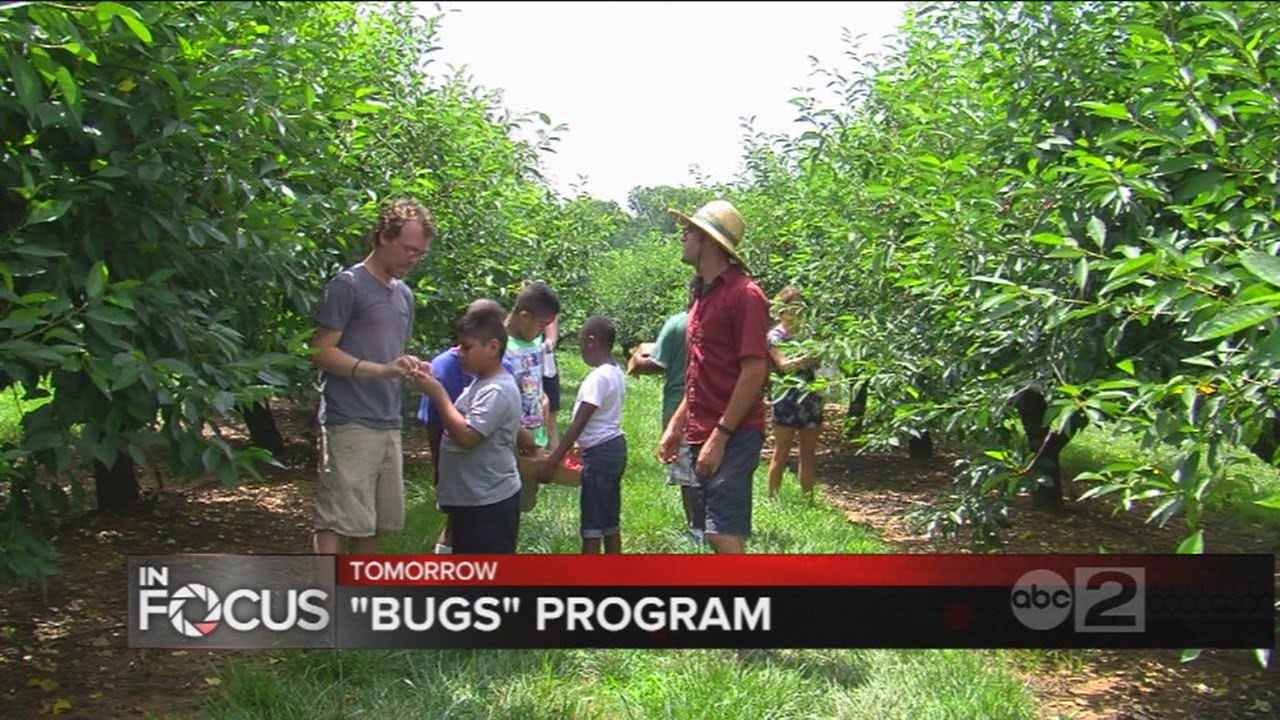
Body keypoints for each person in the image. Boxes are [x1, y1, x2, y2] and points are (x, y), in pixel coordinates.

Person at [309, 199, 433, 554]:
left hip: (387, 420)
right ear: (383, 237)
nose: (414, 258)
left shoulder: (404, 295)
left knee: (374, 522)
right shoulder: (348, 284)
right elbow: (321, 352)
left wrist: (405, 365)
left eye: (420, 253)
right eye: (409, 249)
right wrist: (380, 370)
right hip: (348, 420)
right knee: (337, 518)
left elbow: (386, 351)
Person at [657, 200, 769, 555]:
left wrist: (720, 437)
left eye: (689, 231)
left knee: (723, 533)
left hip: (733, 433)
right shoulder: (702, 296)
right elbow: (702, 371)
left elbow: (755, 371)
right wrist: (677, 426)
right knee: (709, 532)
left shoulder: (745, 295)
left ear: (709, 241)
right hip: (702, 429)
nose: (682, 236)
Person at [411, 306, 524, 554]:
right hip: (472, 500)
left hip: (489, 504)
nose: (459, 353)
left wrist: (438, 393)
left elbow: (467, 436)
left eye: (467, 347)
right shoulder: (481, 383)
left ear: (493, 347)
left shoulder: (497, 390)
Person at [541, 316, 627, 554]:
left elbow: (579, 422)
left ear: (591, 341)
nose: (580, 351)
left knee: (591, 524)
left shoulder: (598, 377)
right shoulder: (615, 371)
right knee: (609, 520)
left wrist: (553, 459)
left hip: (600, 454)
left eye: (580, 345)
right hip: (614, 448)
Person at [628, 288, 704, 543]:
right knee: (705, 468)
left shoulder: (678, 324)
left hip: (678, 407)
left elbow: (653, 364)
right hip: (713, 405)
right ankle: (710, 526)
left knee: (687, 474)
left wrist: (637, 357)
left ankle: (696, 530)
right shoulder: (718, 323)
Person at [504, 281, 562, 510]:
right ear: (525, 316)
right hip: (507, 444)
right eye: (541, 325)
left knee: (520, 507)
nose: (543, 331)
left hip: (532, 443)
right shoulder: (498, 347)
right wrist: (518, 432)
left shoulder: (535, 342)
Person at [765, 287, 824, 502]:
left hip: (811, 396)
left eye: (800, 307)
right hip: (786, 397)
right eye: (791, 307)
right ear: (781, 310)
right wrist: (805, 358)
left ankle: (808, 498)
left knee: (808, 453)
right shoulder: (775, 336)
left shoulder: (809, 335)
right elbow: (783, 365)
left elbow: (821, 362)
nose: (796, 312)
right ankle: (772, 498)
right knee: (782, 451)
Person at [542, 314, 561, 448]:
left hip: (545, 364)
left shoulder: (546, 307)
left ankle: (554, 464)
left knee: (550, 422)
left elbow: (551, 339)